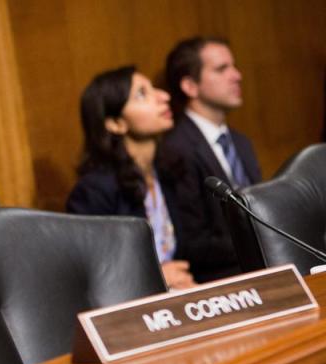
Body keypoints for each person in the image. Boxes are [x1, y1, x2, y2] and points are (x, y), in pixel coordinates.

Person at [67, 66, 195, 290]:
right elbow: (93, 274)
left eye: (155, 89)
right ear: (115, 123)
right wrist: (156, 276)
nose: (163, 96)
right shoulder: (94, 191)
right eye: (142, 94)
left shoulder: (168, 173)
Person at [160, 36, 262, 283]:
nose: (237, 75)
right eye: (221, 69)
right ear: (190, 86)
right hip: (221, 280)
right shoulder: (175, 149)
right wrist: (262, 238)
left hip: (265, 266)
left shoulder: (240, 142)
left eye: (234, 66)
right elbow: (193, 242)